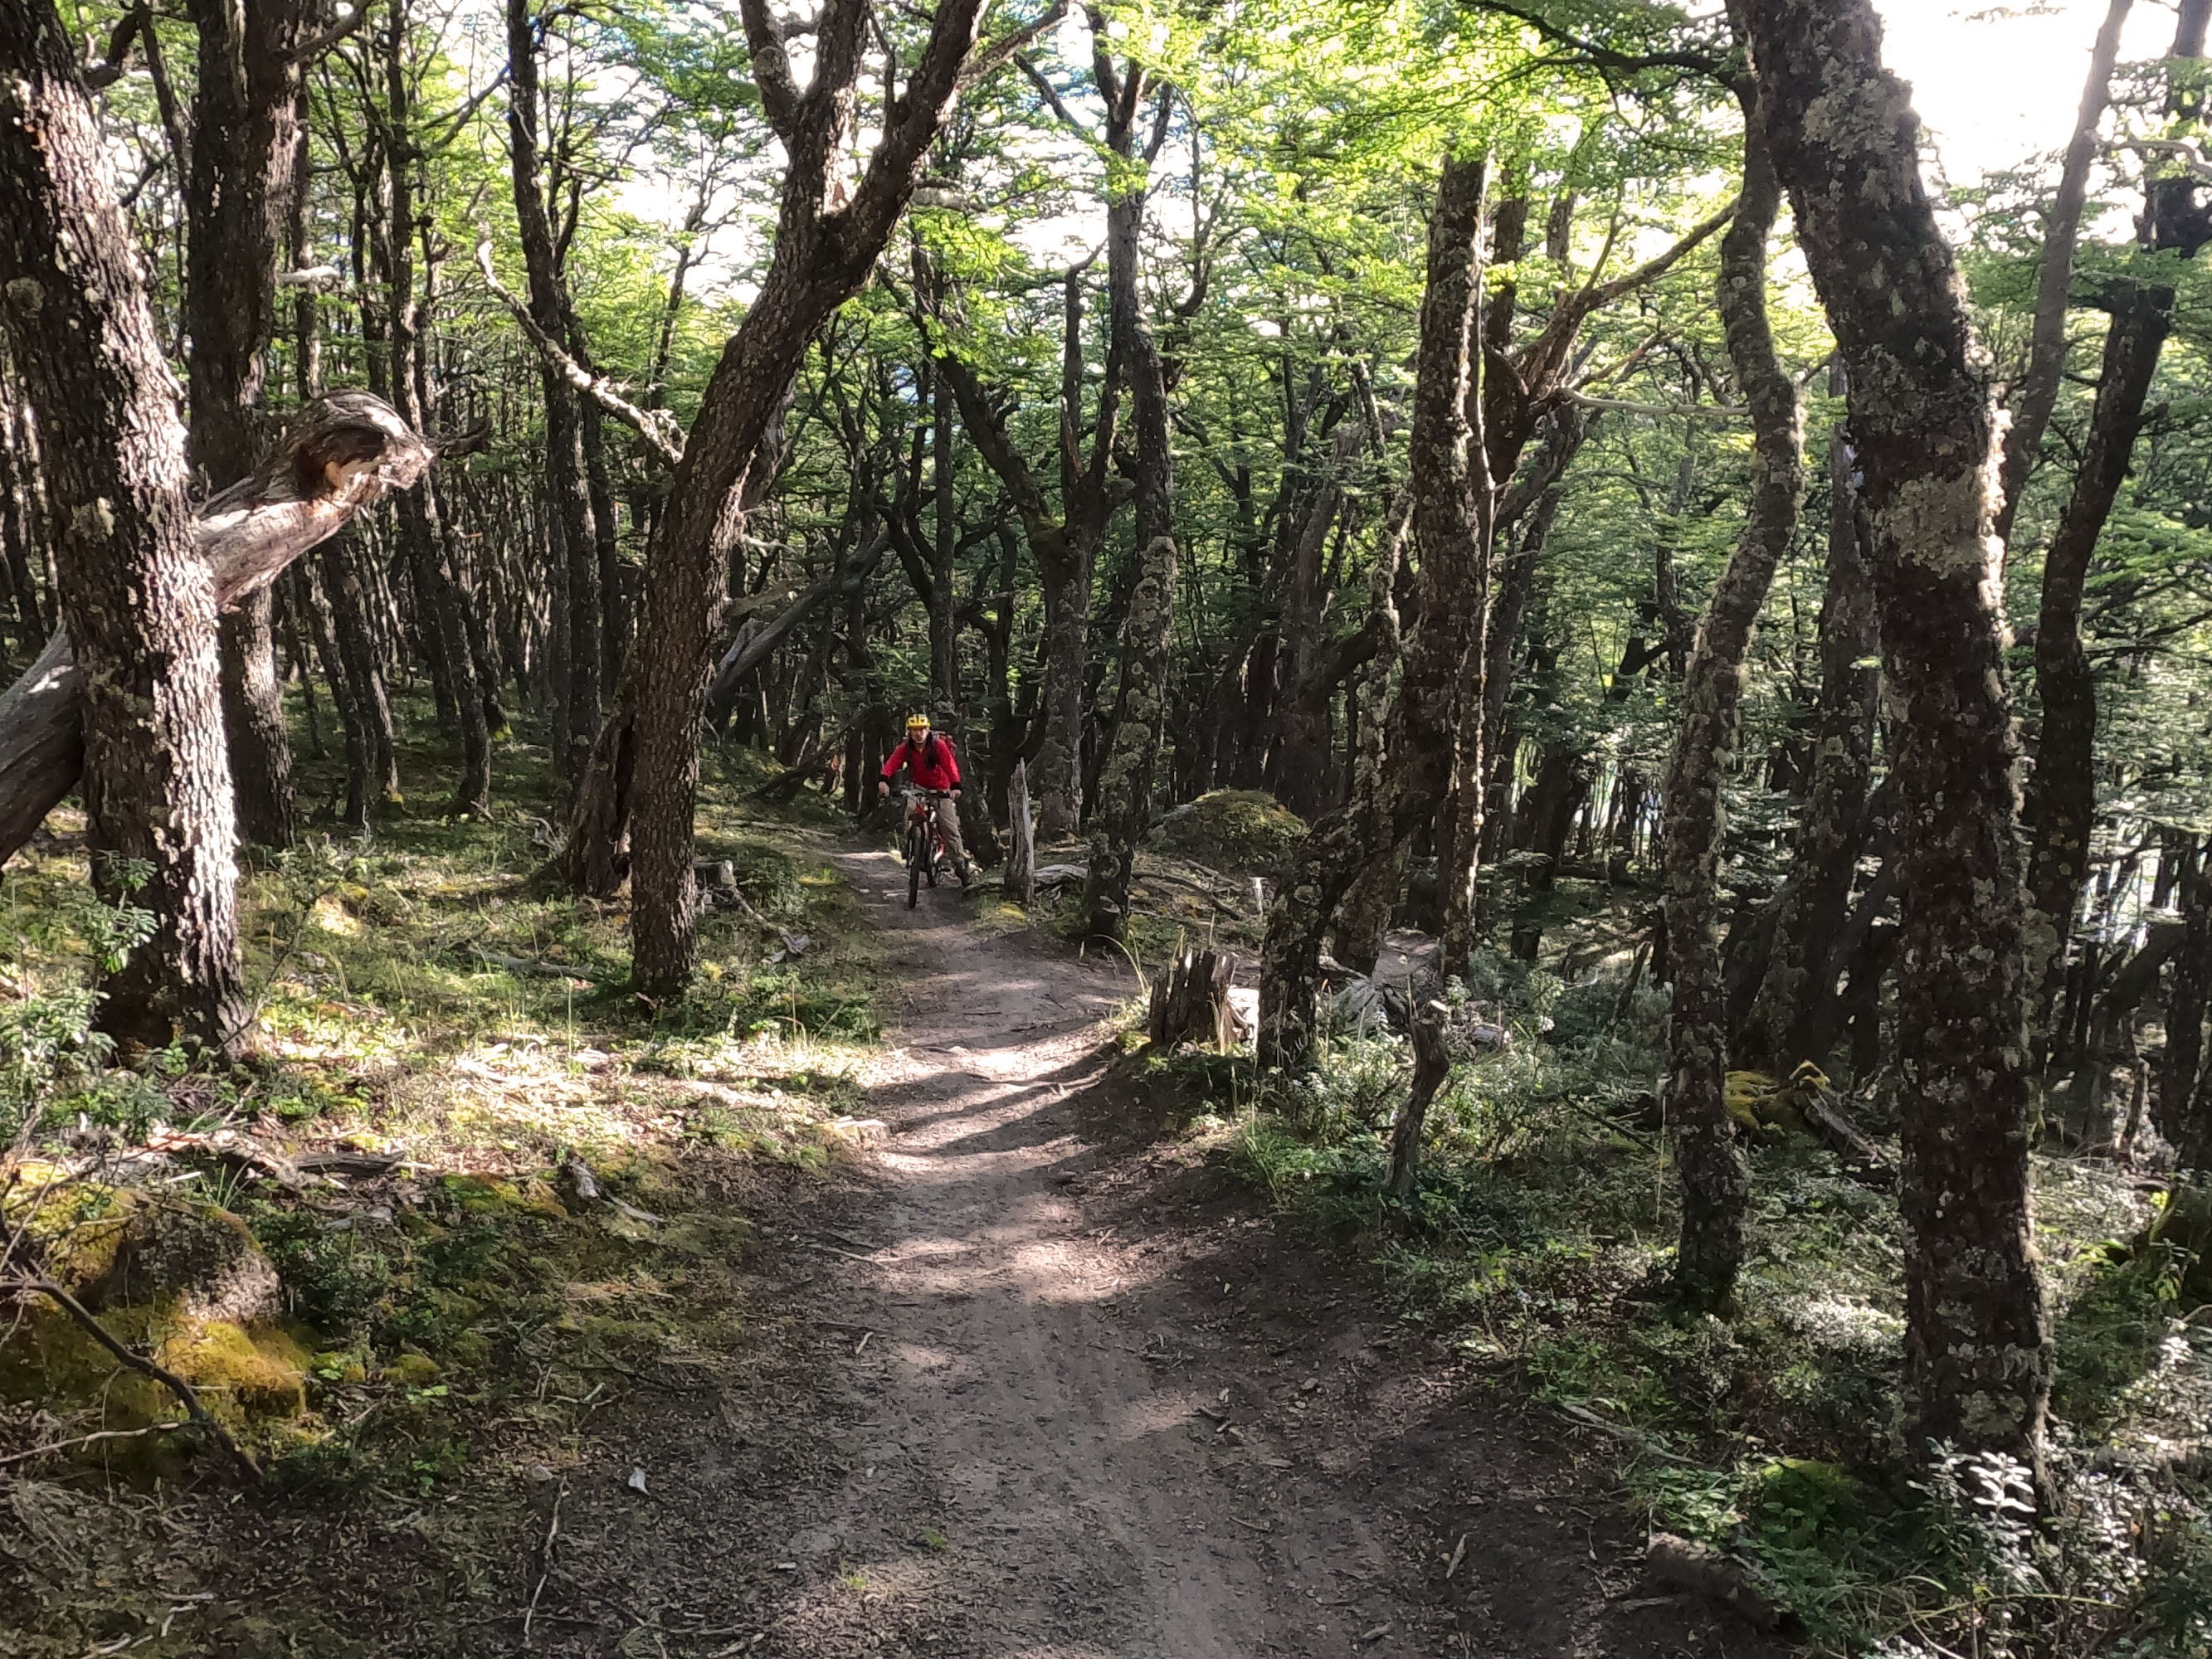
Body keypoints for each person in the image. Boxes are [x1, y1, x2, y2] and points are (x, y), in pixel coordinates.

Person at [878, 714, 972, 885]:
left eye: (922, 729)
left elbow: (950, 766)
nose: (918, 734)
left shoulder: (938, 746)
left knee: (949, 828)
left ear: (928, 730)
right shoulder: (906, 747)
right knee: (911, 813)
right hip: (918, 787)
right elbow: (893, 762)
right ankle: (914, 846)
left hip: (941, 789)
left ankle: (960, 865)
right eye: (914, 730)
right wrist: (884, 779)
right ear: (909, 732)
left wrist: (956, 785)